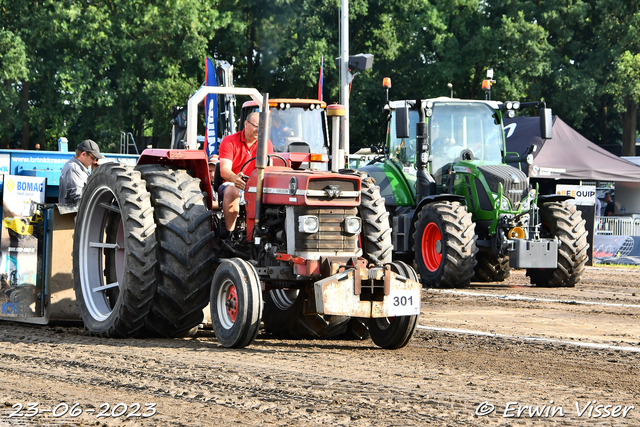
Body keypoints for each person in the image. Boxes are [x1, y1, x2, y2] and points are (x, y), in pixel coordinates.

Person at [218, 112, 273, 237]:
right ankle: (229, 235)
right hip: (232, 184)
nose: (259, 130)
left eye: (262, 127)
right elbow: (224, 170)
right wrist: (235, 178)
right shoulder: (229, 141)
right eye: (256, 126)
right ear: (246, 124)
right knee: (232, 191)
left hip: (255, 186)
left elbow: (269, 168)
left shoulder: (266, 144)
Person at [59, 139, 104, 204]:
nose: (95, 162)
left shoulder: (81, 169)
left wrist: (95, 173)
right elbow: (81, 198)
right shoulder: (73, 168)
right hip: (72, 213)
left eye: (96, 159)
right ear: (83, 154)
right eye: (93, 158)